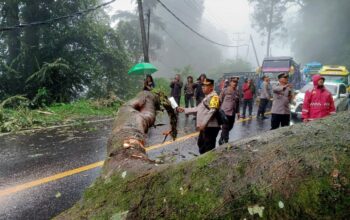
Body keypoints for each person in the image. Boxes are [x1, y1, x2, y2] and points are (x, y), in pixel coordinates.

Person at [177, 78, 220, 154]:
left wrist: (203, 124)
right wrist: (184, 109)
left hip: (210, 127)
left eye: (206, 86)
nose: (203, 87)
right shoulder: (207, 97)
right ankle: (203, 160)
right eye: (203, 85)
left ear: (211, 87)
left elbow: (212, 111)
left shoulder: (214, 97)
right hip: (205, 127)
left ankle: (207, 163)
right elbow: (198, 109)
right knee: (201, 144)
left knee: (208, 148)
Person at [218, 79, 240, 145]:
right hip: (225, 112)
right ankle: (225, 141)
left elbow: (238, 102)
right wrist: (218, 110)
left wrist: (238, 112)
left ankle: (221, 138)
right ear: (230, 83)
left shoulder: (237, 92)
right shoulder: (225, 90)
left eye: (236, 82)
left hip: (232, 112)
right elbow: (220, 100)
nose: (235, 83)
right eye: (233, 82)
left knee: (230, 126)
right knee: (225, 127)